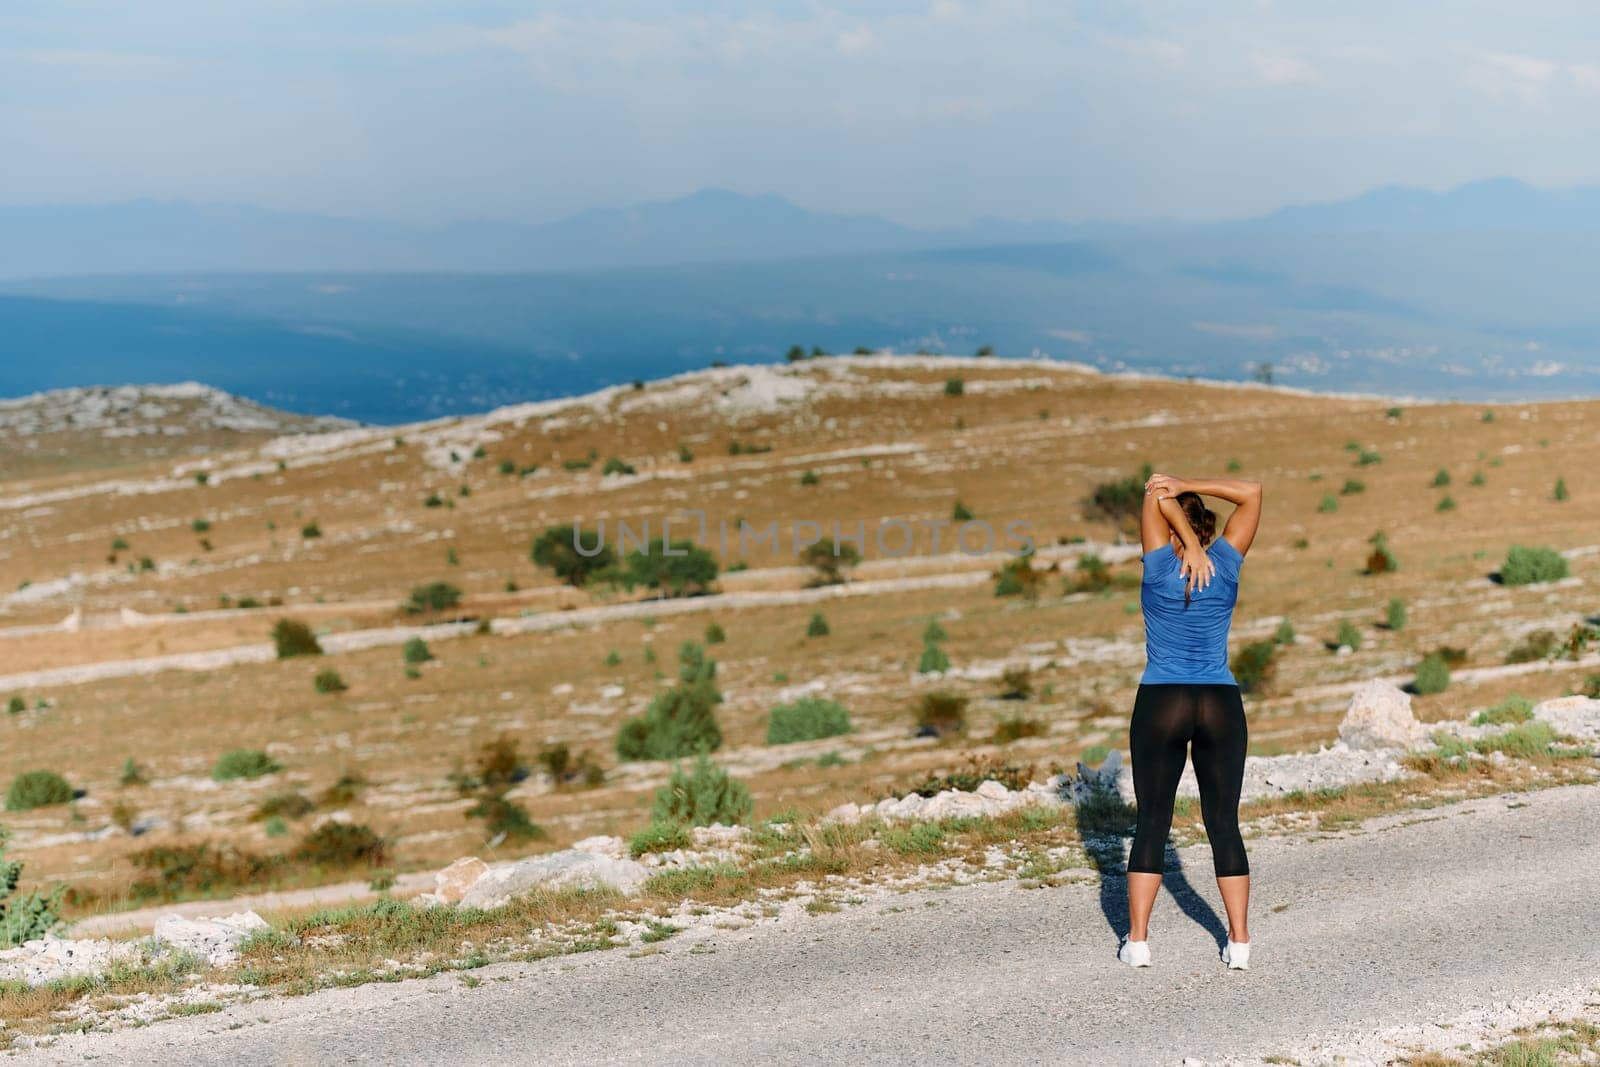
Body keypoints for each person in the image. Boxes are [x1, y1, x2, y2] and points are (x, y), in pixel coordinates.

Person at [1116, 472, 1262, 971]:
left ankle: (1138, 942)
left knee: (1152, 822)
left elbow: (1153, 493)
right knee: (1224, 823)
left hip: (1163, 699)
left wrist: (1175, 509)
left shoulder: (1158, 566)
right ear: (1208, 530)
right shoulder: (1224, 563)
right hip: (1220, 701)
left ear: (1170, 527)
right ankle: (1239, 942)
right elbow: (1252, 492)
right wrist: (1192, 496)